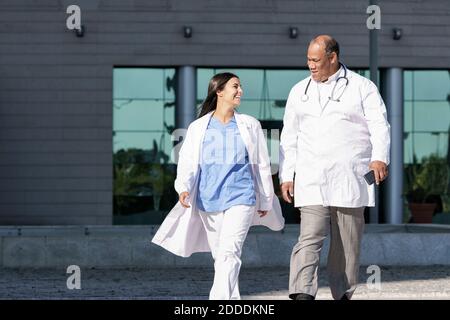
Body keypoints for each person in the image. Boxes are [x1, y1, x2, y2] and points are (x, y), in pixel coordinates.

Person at [152, 72, 285, 300]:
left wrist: (265, 199)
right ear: (219, 91)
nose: (241, 91)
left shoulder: (249, 125)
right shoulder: (198, 128)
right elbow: (188, 162)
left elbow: (263, 164)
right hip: (208, 200)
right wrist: (183, 188)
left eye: (240, 86)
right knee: (222, 256)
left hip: (241, 198)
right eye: (235, 86)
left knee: (229, 252)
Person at [279, 35, 391, 300]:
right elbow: (289, 137)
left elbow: (379, 125)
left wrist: (379, 158)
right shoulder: (299, 91)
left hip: (350, 176)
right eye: (308, 60)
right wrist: (287, 175)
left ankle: (342, 294)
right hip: (311, 176)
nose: (311, 66)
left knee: (346, 244)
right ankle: (302, 293)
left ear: (333, 57)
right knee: (310, 236)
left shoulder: (362, 87)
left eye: (316, 60)